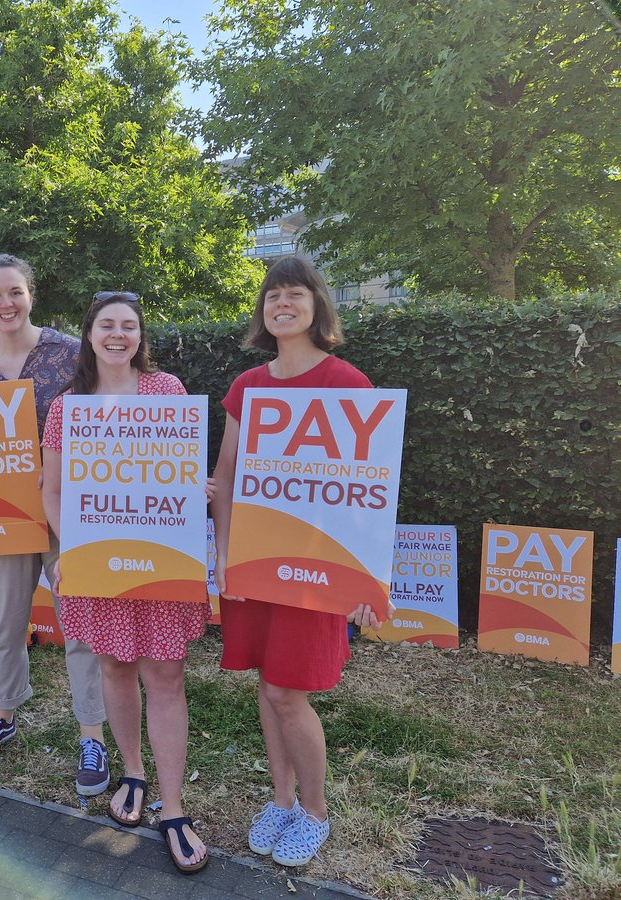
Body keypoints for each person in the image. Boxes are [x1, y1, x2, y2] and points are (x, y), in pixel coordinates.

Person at [210, 257, 384, 868]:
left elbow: (367, 495)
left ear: (316, 305)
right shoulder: (247, 387)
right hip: (255, 568)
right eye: (272, 295)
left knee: (288, 691)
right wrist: (224, 555)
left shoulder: (349, 384)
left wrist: (364, 583)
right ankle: (281, 800)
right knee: (267, 682)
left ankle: (314, 813)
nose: (282, 304)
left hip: (316, 573)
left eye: (295, 294)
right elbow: (227, 478)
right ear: (262, 310)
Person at [41, 292, 213, 874]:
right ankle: (133, 773)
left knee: (164, 675)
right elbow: (54, 491)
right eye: (107, 326)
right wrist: (74, 548)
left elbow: (182, 477)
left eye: (129, 326)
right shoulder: (68, 408)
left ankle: (174, 807)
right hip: (96, 563)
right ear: (89, 335)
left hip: (159, 561)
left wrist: (201, 491)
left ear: (140, 336)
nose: (118, 335)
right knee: (113, 666)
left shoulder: (167, 391)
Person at [0, 254, 109, 798]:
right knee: (2, 624)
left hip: (67, 507)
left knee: (81, 620)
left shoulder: (72, 352)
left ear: (31, 293)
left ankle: (91, 733)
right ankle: (3, 713)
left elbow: (103, 418)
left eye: (15, 292)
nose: (6, 304)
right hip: (0, 514)